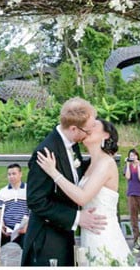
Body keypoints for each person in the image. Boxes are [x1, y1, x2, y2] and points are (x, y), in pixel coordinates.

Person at [36, 117, 134, 266]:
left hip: (103, 232)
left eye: (94, 126)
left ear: (106, 135)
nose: (87, 128)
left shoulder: (106, 162)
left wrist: (53, 172)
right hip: (89, 231)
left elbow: (82, 197)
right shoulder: (88, 164)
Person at [21, 97, 107, 266]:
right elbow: (36, 201)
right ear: (74, 128)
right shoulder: (45, 152)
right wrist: (76, 217)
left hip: (64, 234)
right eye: (88, 131)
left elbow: (75, 173)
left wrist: (102, 161)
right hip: (46, 241)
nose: (89, 134)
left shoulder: (72, 144)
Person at [0, 163, 29, 247]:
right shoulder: (3, 191)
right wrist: (2, 226)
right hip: (8, 228)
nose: (11, 176)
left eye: (14, 174)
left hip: (23, 227)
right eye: (9, 174)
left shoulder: (28, 190)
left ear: (20, 174)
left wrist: (26, 226)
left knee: (28, 239)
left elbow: (32, 211)